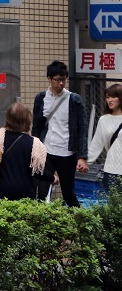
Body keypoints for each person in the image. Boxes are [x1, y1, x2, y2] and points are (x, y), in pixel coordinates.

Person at [32, 61, 88, 206]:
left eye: (64, 79)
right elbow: (36, 126)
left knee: (68, 193)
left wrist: (82, 156)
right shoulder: (41, 98)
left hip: (67, 153)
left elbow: (82, 128)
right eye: (57, 80)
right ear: (49, 79)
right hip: (46, 151)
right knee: (42, 193)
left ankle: (78, 218)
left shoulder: (74, 99)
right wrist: (34, 149)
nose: (61, 83)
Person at [0, 102, 47, 201]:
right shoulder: (34, 143)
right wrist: (52, 178)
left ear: (8, 118)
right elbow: (37, 171)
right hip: (24, 194)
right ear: (28, 120)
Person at [79, 83, 122, 195]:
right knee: (112, 204)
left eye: (114, 97)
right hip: (111, 171)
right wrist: (85, 162)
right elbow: (96, 144)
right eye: (107, 97)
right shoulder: (104, 120)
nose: (110, 100)